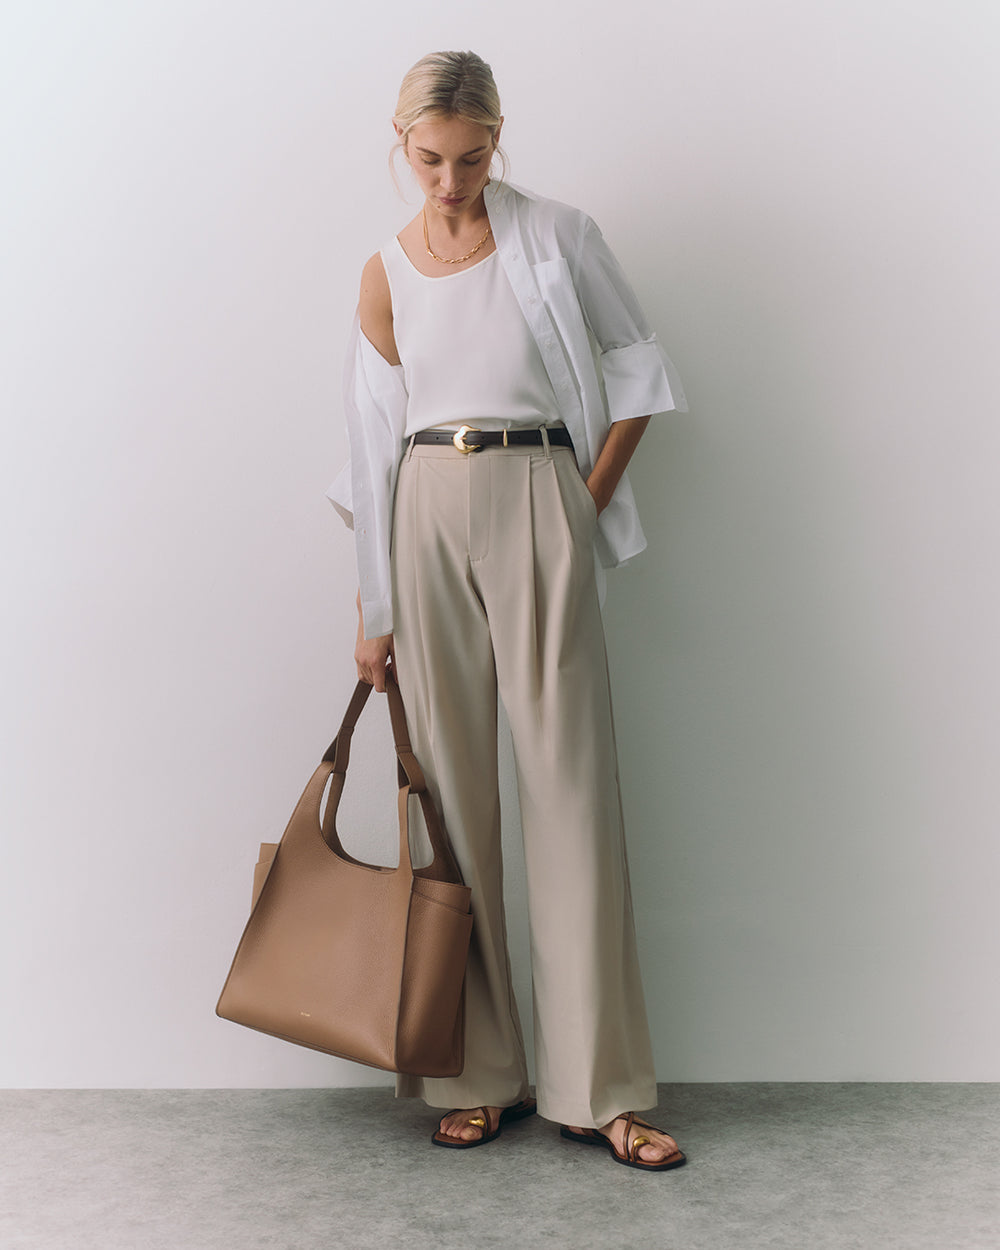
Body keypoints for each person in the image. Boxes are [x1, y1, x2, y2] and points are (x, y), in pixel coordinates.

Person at [327, 50, 688, 1172]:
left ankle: (601, 1089)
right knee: (448, 794)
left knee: (570, 784)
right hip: (425, 503)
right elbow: (369, 441)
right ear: (401, 143)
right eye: (430, 159)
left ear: (497, 138)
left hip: (540, 491)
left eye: (471, 156)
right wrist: (373, 607)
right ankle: (476, 1074)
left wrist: (582, 504)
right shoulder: (384, 270)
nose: (450, 179)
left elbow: (639, 367)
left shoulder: (559, 234)